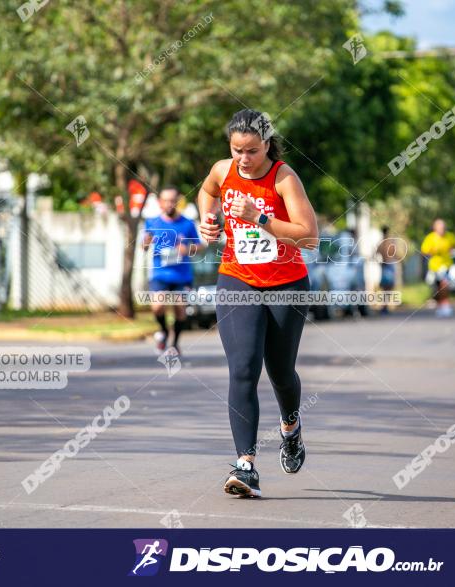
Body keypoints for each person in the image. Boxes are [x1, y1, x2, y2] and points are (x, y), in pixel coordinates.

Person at [197, 109, 318, 498]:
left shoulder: (284, 178)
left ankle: (290, 428)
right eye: (237, 150)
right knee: (243, 368)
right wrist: (207, 219)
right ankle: (245, 465)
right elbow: (207, 192)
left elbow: (309, 237)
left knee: (281, 372)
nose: (244, 159)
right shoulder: (222, 170)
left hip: (286, 284)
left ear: (267, 144)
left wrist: (260, 217)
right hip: (237, 279)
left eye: (251, 151)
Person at [143, 187, 203, 354]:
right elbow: (144, 246)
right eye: (165, 200)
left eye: (172, 200)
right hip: (160, 273)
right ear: (160, 203)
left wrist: (187, 249)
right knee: (157, 306)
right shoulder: (152, 222)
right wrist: (146, 242)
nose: (169, 204)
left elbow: (199, 246)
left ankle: (175, 343)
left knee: (180, 310)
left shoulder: (187, 223)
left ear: (178, 202)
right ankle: (163, 331)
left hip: (181, 275)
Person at [420, 219, 455, 317]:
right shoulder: (430, 238)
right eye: (440, 228)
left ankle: (445, 304)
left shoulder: (450, 236)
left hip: (446, 265)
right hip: (434, 266)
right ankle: (441, 305)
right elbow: (424, 251)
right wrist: (434, 251)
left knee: (444, 284)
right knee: (437, 288)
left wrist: (449, 251)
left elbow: (454, 245)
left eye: (443, 227)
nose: (442, 229)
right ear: (435, 228)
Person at [376, 226, 399, 314]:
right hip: (389, 265)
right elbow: (395, 253)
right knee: (388, 287)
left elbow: (376, 253)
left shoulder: (382, 242)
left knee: (386, 287)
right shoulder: (389, 242)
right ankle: (385, 306)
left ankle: (384, 306)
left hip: (385, 266)